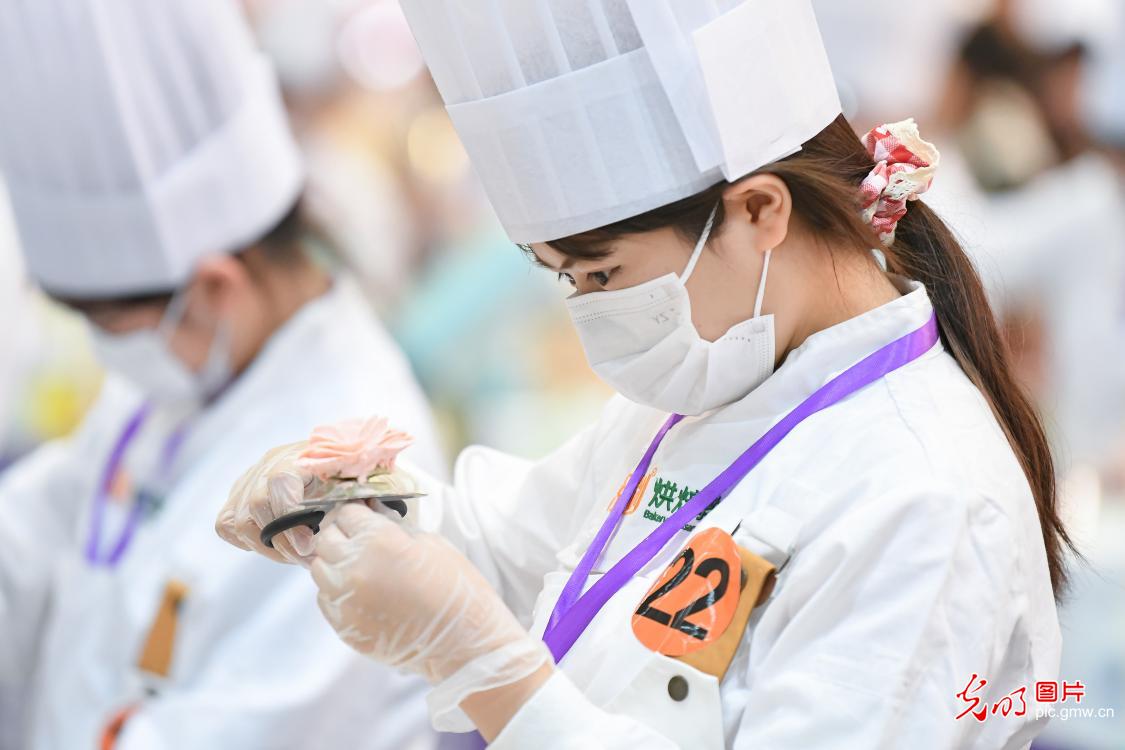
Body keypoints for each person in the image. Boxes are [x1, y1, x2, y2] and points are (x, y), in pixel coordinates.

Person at [217, 1, 1069, 747]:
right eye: (564, 278)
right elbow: (520, 539)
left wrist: (480, 664)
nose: (588, 311)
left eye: (602, 275)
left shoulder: (928, 501)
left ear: (760, 211)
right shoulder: (720, 381)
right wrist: (361, 507)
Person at [0, 1, 445, 748]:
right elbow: (47, 526)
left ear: (213, 290)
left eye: (106, 328)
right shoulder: (180, 386)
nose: (108, 352)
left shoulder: (349, 483)